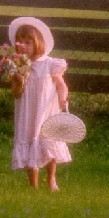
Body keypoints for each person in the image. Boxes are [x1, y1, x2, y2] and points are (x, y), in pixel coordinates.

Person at [8, 17, 71, 191]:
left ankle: (51, 180)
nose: (24, 46)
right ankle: (33, 185)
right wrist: (19, 81)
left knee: (48, 140)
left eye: (28, 42)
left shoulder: (50, 64)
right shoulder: (19, 65)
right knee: (29, 141)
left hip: (46, 109)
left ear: (39, 43)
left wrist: (62, 98)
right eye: (20, 43)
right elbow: (16, 93)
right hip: (27, 111)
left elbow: (60, 84)